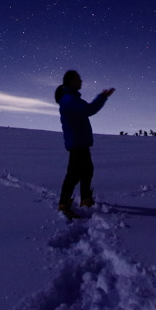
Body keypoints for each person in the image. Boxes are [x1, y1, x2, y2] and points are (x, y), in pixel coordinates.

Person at [56, 70, 114, 218]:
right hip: (76, 141)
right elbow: (88, 110)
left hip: (79, 140)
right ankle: (64, 203)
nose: (81, 81)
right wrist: (102, 97)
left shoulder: (70, 97)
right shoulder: (69, 99)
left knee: (86, 170)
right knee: (74, 173)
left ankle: (85, 199)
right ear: (70, 81)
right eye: (78, 79)